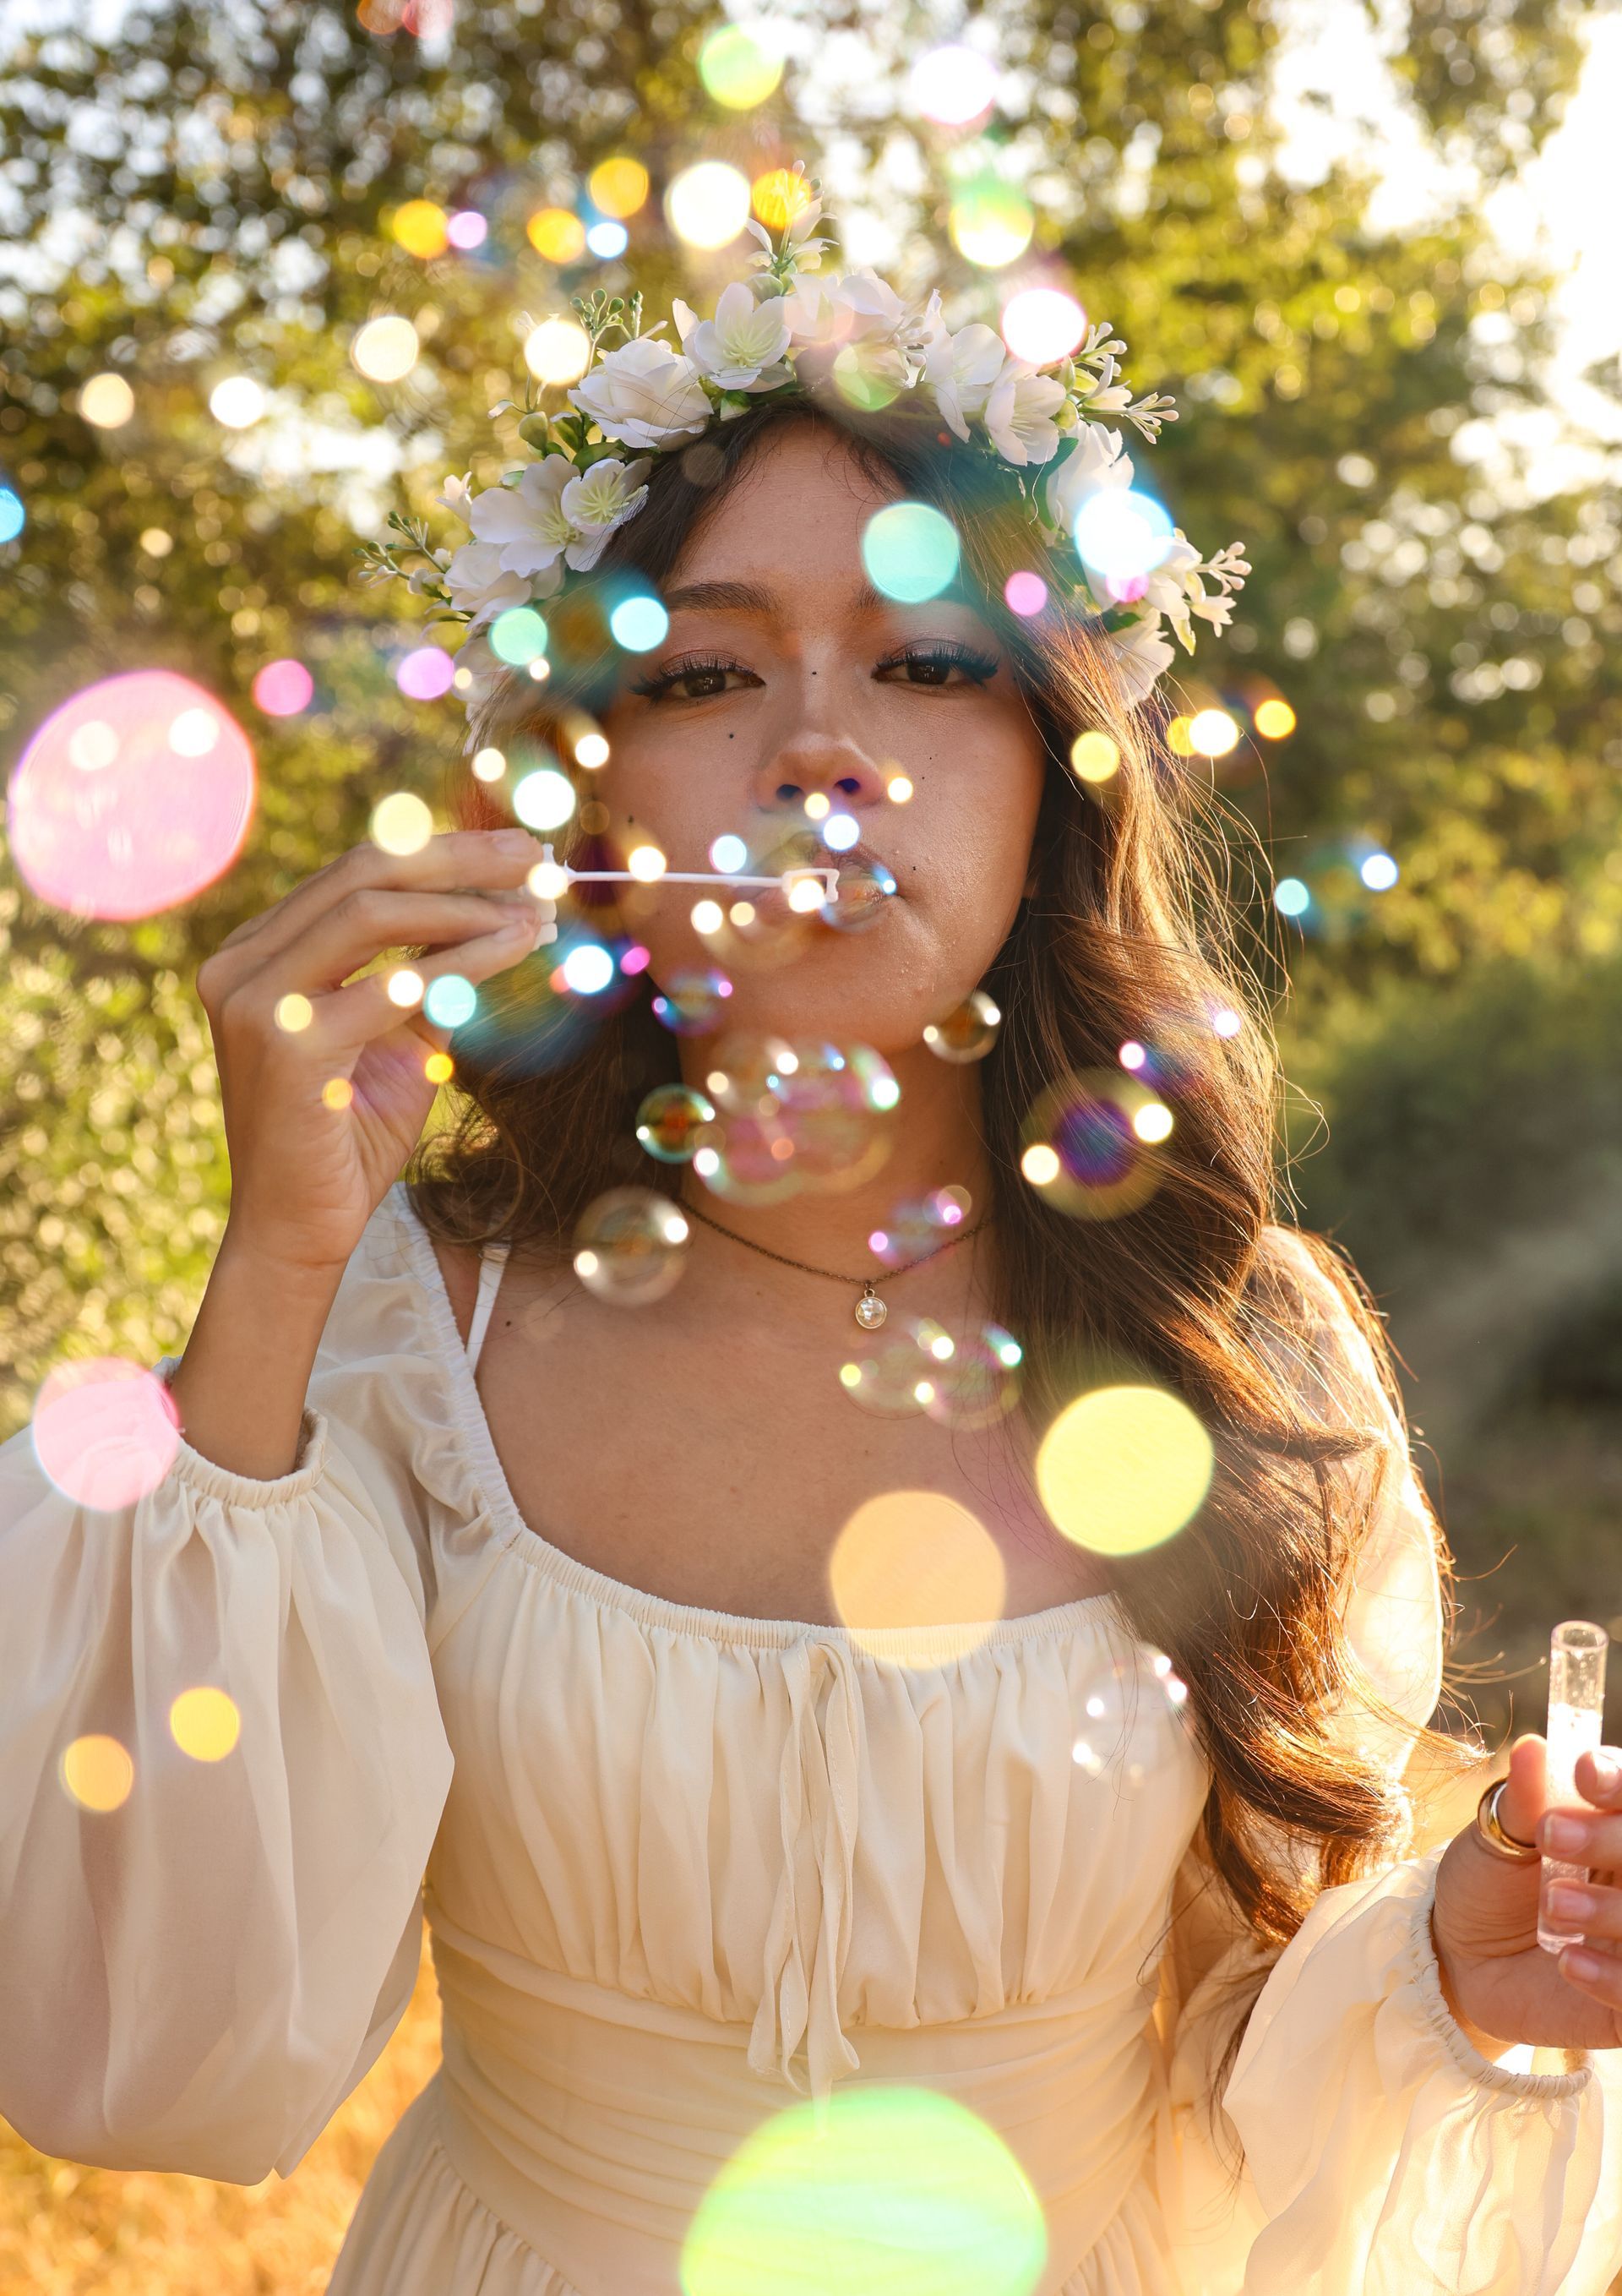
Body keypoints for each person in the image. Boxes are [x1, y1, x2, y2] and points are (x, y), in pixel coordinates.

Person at [2, 192, 1620, 2296]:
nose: (821, 755)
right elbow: (142, 2054)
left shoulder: (1250, 1354)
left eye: (933, 663)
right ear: (597, 805)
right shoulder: (410, 1321)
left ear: (1056, 770)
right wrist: (273, 1265)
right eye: (706, 671)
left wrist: (1459, 1981)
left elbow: (1251, 2053)